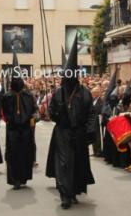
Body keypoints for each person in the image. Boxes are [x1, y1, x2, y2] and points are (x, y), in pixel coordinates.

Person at [46, 34, 96, 209]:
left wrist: (90, 132)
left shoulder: (85, 93)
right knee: (63, 164)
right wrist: (56, 114)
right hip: (63, 133)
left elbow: (91, 114)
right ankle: (64, 195)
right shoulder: (58, 93)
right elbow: (50, 111)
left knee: (78, 163)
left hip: (79, 133)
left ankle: (73, 190)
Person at [2, 51, 37, 189]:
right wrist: (10, 121)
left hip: (26, 131)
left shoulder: (28, 95)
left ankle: (23, 177)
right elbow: (4, 113)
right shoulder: (7, 96)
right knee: (13, 155)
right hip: (12, 131)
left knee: (24, 154)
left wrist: (33, 119)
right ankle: (15, 179)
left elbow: (34, 110)